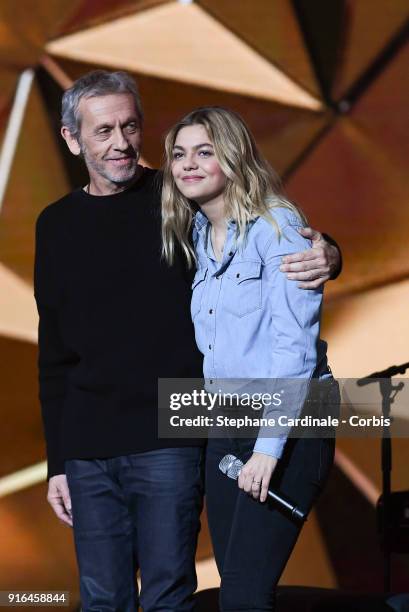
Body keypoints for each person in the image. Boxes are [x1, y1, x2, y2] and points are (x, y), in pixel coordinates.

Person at [34, 70, 340, 612]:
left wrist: (330, 253)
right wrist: (59, 459)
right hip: (90, 445)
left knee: (171, 596)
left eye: (130, 126)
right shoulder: (54, 224)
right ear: (71, 138)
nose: (120, 142)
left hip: (174, 436)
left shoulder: (177, 196)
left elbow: (264, 228)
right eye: (102, 131)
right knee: (101, 600)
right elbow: (54, 352)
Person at [161, 106, 338, 611]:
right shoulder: (196, 232)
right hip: (227, 421)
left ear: (233, 158)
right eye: (179, 154)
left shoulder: (276, 225)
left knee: (244, 596)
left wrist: (268, 449)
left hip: (289, 422)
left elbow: (294, 352)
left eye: (204, 152)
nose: (188, 164)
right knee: (234, 586)